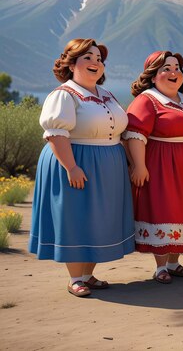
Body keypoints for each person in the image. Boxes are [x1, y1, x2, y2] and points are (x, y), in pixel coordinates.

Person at [29, 38, 135, 297]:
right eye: (87, 57)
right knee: (75, 216)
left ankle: (87, 274)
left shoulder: (106, 95)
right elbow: (56, 133)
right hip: (76, 160)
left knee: (99, 218)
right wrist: (71, 166)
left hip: (107, 162)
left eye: (99, 59)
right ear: (71, 63)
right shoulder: (64, 95)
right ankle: (75, 278)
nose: (95, 63)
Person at [124, 51, 183, 284]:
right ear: (153, 76)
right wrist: (139, 165)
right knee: (164, 210)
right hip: (161, 165)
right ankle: (160, 266)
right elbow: (134, 134)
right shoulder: (147, 100)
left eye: (177, 68)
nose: (174, 72)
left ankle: (173, 263)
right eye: (166, 68)